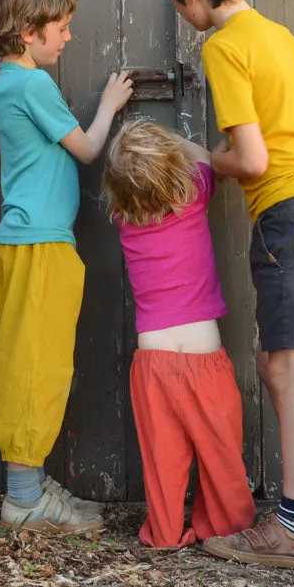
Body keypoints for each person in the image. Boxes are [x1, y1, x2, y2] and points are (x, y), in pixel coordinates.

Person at [150, 0, 294, 570]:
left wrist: (201, 155)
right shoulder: (277, 34)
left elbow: (254, 158)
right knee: (280, 365)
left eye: (177, 6)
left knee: (287, 370)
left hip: (287, 215)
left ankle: (291, 532)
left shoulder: (225, 46)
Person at [0, 0, 133, 534]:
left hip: (35, 246)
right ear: (28, 32)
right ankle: (23, 498)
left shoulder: (12, 82)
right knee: (35, 367)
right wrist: (111, 105)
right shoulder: (32, 83)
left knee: (36, 361)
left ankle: (31, 483)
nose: (68, 37)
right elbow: (88, 149)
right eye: (62, 27)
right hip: (39, 247)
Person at [102, 119, 256, 548]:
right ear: (173, 168)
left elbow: (135, 183)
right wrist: (174, 140)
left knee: (163, 459)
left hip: (152, 364)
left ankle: (166, 532)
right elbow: (205, 157)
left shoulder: (123, 219)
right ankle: (228, 528)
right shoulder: (195, 194)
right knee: (221, 452)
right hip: (203, 360)